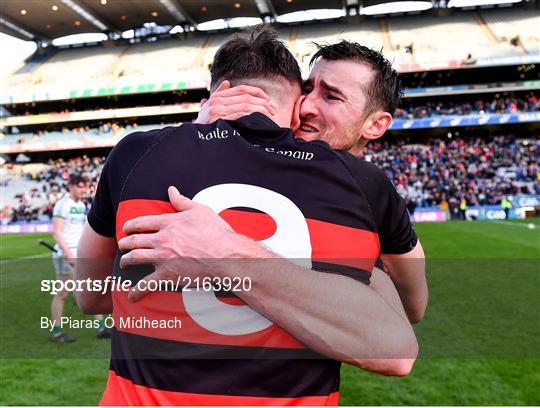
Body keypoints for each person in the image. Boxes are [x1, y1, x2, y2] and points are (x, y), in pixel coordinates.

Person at [76, 28, 418, 405]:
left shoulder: (136, 153)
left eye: (331, 96)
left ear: (218, 92)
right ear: (289, 102)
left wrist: (188, 137)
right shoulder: (362, 186)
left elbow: (90, 297)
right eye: (306, 92)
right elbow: (403, 327)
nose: (307, 109)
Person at [50, 174, 109, 342]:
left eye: (83, 186)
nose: (82, 189)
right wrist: (69, 254)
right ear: (70, 186)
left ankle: (101, 327)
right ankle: (56, 332)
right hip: (65, 255)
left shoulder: (82, 205)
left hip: (79, 254)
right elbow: (57, 233)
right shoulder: (63, 205)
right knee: (61, 293)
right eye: (78, 186)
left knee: (90, 288)